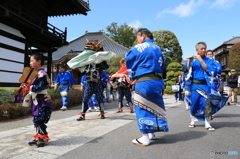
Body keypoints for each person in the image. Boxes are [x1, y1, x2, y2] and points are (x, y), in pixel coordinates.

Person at [125, 28, 168, 146]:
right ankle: (152, 133)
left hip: (144, 81)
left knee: (142, 106)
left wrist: (131, 75)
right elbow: (163, 64)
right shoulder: (158, 48)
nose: (138, 40)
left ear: (142, 36)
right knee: (154, 106)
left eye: (138, 37)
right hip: (158, 81)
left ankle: (145, 136)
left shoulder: (139, 47)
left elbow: (128, 59)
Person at [67, 39, 115, 120]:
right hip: (88, 81)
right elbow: (82, 72)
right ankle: (82, 115)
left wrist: (98, 61)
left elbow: (106, 67)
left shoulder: (99, 58)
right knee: (85, 98)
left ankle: (102, 113)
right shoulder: (86, 59)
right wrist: (84, 64)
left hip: (98, 81)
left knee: (100, 97)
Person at [186, 42, 227, 131]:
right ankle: (193, 120)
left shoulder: (209, 60)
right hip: (194, 85)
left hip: (205, 85)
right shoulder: (193, 60)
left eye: (205, 48)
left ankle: (207, 123)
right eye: (202, 49)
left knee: (207, 104)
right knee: (194, 103)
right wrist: (189, 61)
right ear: (197, 50)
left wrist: (201, 60)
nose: (204, 50)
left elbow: (211, 70)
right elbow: (187, 70)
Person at [22, 53, 52, 147]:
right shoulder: (35, 73)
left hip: (42, 99)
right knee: (36, 119)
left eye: (32, 61)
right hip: (36, 99)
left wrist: (30, 87)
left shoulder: (42, 73)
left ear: (39, 62)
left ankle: (43, 138)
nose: (30, 63)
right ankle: (38, 137)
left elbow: (41, 86)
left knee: (39, 119)